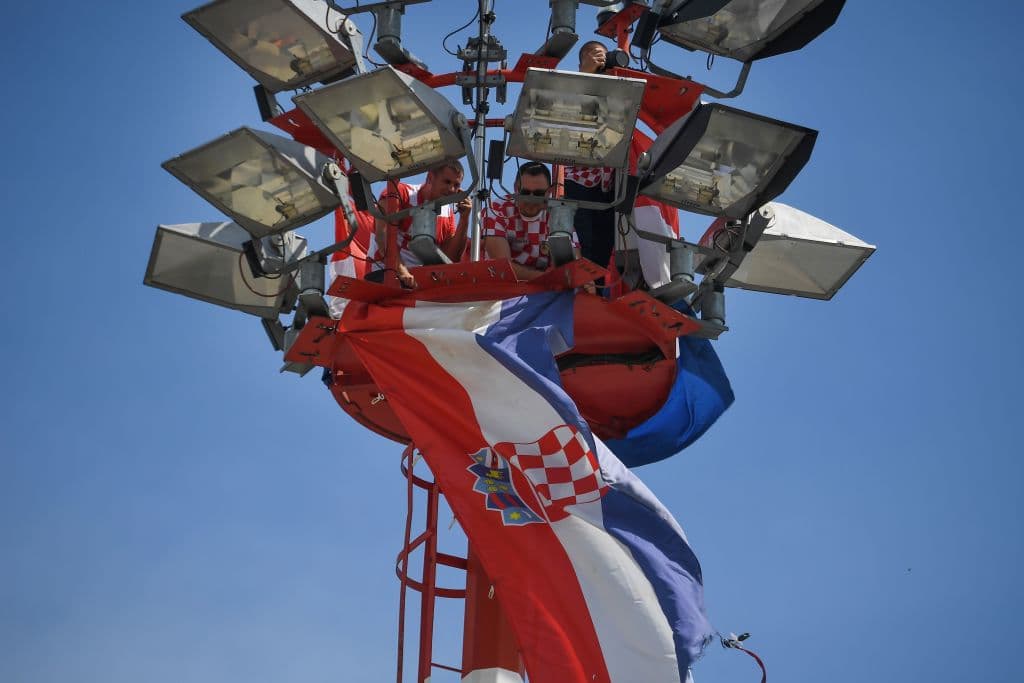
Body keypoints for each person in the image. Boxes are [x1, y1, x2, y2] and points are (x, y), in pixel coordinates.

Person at [483, 162, 596, 293]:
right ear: (515, 188)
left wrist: (581, 279)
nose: (531, 199)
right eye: (525, 192)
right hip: (504, 292)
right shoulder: (496, 209)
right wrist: (551, 278)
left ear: (549, 192)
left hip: (545, 293)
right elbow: (502, 269)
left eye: (538, 194)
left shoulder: (558, 213)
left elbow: (567, 266)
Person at [368, 160, 472, 287]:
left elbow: (451, 259)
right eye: (447, 182)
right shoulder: (400, 192)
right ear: (430, 177)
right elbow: (382, 237)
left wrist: (464, 218)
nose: (451, 189)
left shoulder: (448, 214)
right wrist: (402, 271)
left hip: (418, 281)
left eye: (456, 185)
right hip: (384, 273)